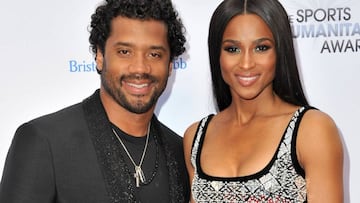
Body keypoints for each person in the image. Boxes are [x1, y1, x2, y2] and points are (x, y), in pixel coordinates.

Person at [0, 0, 190, 202]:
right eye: (125, 52)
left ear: (170, 64)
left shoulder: (182, 152)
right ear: (100, 56)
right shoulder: (44, 141)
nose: (140, 68)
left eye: (154, 54)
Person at [183, 0, 344, 202]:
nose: (247, 63)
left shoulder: (311, 129)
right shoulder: (195, 137)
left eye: (261, 47)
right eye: (233, 49)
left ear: (280, 51)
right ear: (217, 54)